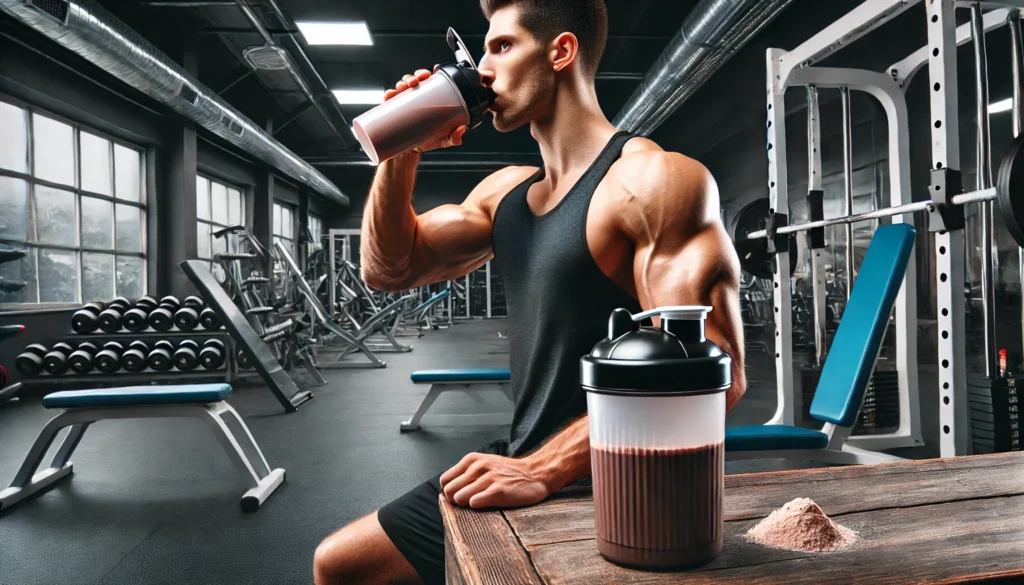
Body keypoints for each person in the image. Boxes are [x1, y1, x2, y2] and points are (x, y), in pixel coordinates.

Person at [313, 1, 746, 583]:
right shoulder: (508, 194)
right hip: (525, 456)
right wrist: (402, 149)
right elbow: (388, 268)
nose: (482, 70)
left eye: (501, 47)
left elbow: (713, 374)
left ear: (560, 52)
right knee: (341, 565)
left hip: (618, 478)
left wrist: (545, 469)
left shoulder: (651, 181)